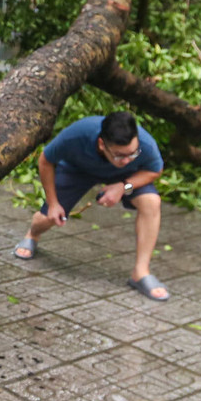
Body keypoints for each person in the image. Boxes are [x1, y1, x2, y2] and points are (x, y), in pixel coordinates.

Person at [13, 111, 170, 300]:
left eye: (132, 154)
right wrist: (53, 203)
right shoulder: (77, 134)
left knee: (152, 202)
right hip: (77, 170)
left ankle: (141, 272)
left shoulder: (145, 144)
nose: (127, 160)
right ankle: (32, 235)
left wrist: (123, 187)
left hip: (124, 178)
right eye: (120, 155)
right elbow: (45, 160)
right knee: (48, 218)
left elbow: (155, 171)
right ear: (102, 144)